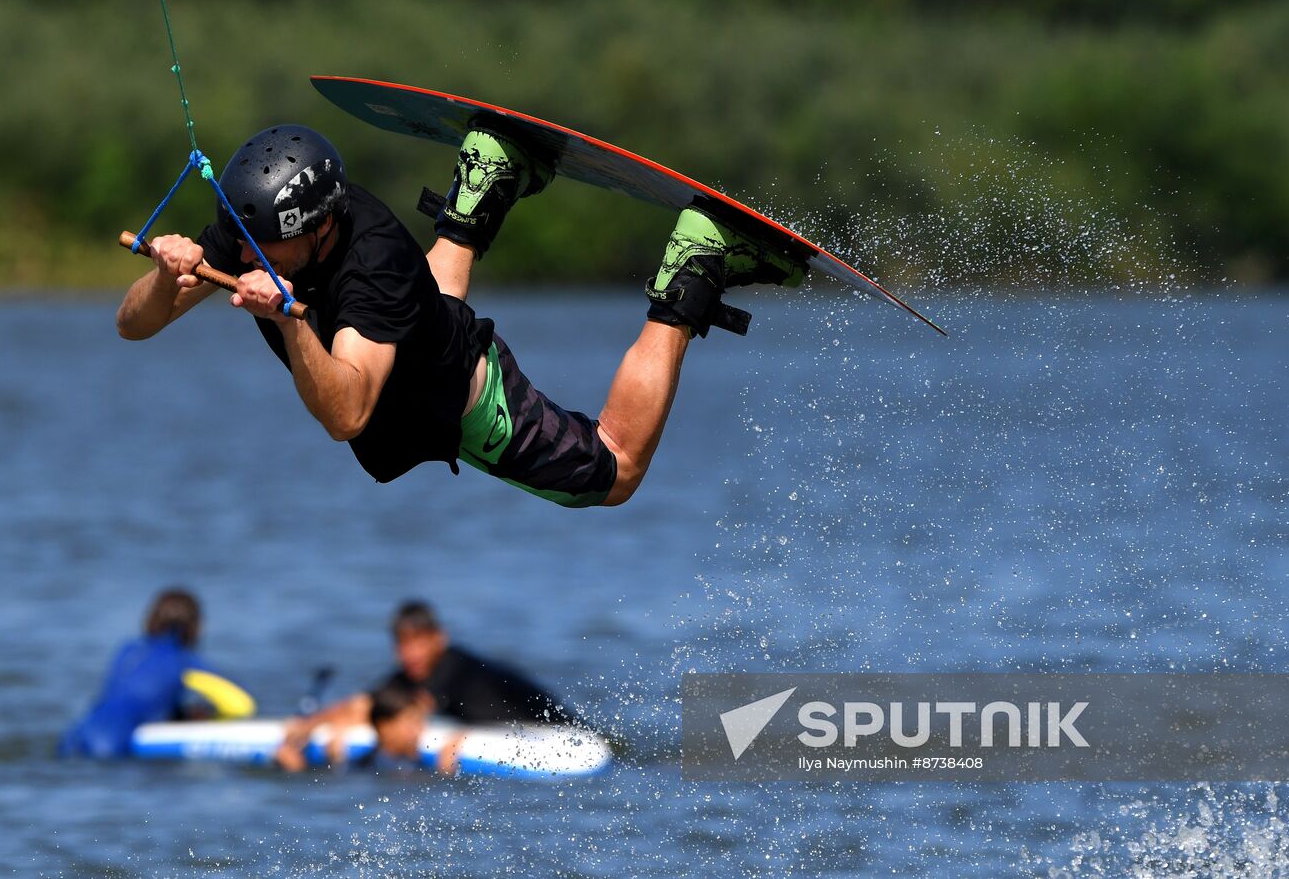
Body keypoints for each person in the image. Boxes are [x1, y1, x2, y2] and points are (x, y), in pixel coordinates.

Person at [116, 123, 803, 508]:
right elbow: (134, 325)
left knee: (614, 472)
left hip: (456, 396)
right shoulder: (252, 228)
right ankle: (486, 173)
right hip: (412, 336)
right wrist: (162, 273)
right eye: (239, 239)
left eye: (265, 246)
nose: (244, 254)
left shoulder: (370, 265)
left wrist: (292, 321)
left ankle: (689, 273)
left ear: (319, 228)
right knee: (424, 307)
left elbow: (347, 414)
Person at [275, 600, 565, 771]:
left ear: (439, 639)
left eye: (419, 642)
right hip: (501, 735)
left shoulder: (453, 666)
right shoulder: (409, 676)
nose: (410, 653)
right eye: (402, 644)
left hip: (549, 731)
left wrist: (333, 727)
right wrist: (309, 727)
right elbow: (369, 702)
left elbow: (408, 711)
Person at [58, 589, 256, 758]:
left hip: (75, 736)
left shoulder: (127, 650)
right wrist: (210, 717)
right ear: (195, 628)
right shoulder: (184, 661)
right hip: (112, 743)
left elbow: (136, 697)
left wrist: (179, 714)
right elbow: (241, 705)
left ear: (150, 619)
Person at [367, 680, 464, 775]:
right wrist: (444, 772)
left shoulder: (413, 761)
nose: (418, 730)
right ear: (385, 727)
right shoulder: (382, 768)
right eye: (411, 723)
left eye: (420, 722)